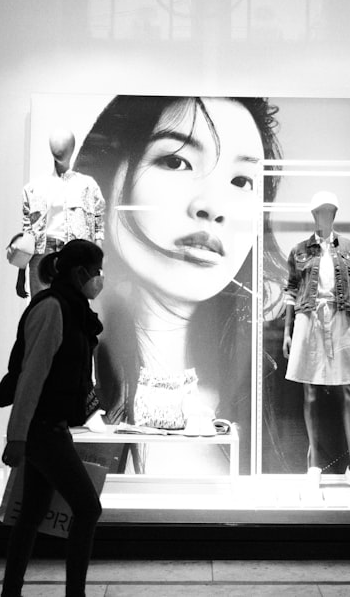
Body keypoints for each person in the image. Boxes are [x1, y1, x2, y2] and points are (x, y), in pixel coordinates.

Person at [74, 96, 287, 474]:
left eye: (241, 181)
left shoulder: (292, 370)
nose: (212, 206)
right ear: (109, 173)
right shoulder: (72, 347)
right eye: (175, 161)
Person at [1, 240, 105, 597]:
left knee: (32, 512)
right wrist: (16, 437)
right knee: (88, 508)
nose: (98, 280)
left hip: (50, 427)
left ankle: (10, 591)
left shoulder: (71, 308)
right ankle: (75, 593)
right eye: (95, 273)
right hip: (43, 430)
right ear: (80, 273)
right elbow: (33, 374)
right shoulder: (53, 309)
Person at [280, 191, 350, 490]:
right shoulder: (299, 250)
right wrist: (287, 330)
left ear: (335, 214)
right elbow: (291, 292)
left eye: (330, 211)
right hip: (308, 318)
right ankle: (314, 465)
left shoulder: (349, 247)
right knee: (310, 391)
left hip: (342, 316)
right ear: (313, 215)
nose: (325, 216)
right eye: (320, 211)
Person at [16, 129, 106, 298]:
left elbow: (98, 224)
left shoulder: (87, 186)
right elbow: (27, 233)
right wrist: (21, 273)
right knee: (42, 304)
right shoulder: (33, 188)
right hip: (42, 252)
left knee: (75, 305)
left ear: (72, 148)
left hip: (75, 252)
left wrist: (97, 263)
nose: (60, 148)